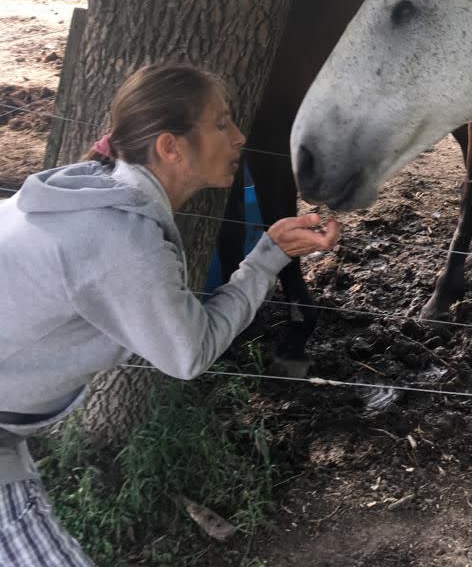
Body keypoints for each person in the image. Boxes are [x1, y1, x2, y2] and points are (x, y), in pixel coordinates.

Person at [0, 62, 340, 565]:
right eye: (222, 123)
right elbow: (189, 351)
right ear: (170, 146)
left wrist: (270, 251)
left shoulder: (91, 193)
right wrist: (266, 259)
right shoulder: (123, 240)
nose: (240, 136)